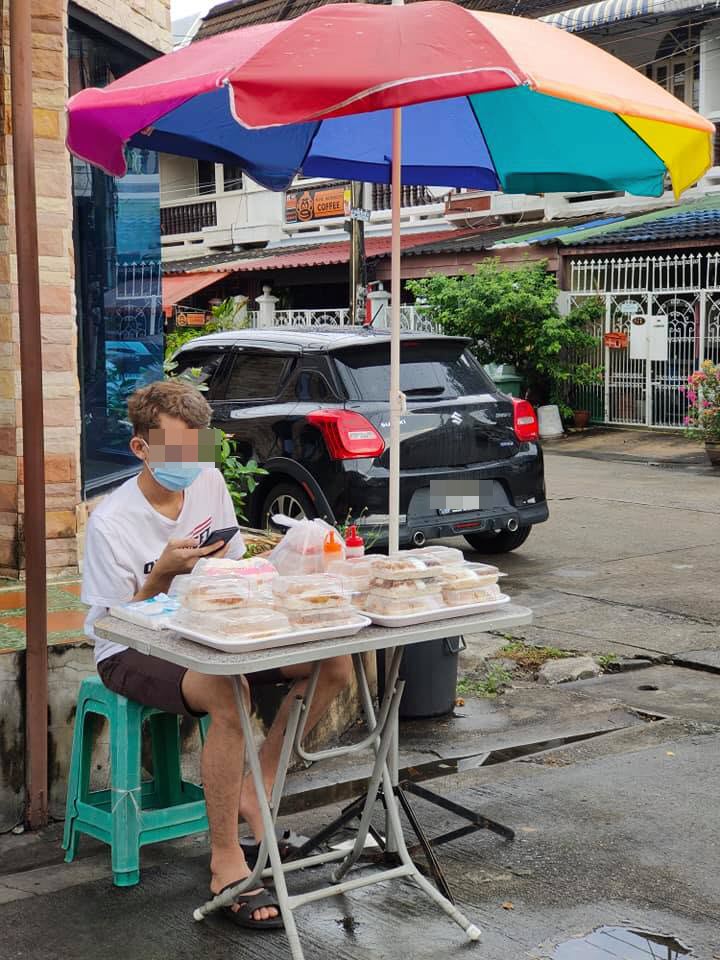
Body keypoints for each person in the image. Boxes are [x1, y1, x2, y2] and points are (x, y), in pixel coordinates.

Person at [82, 379, 352, 929]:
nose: (192, 461)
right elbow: (112, 622)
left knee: (334, 663)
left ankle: (261, 781)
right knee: (229, 688)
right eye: (177, 450)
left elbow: (229, 563)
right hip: (132, 645)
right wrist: (161, 575)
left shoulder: (206, 481)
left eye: (198, 446)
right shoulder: (112, 522)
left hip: (211, 627)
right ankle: (225, 859)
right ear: (142, 449)